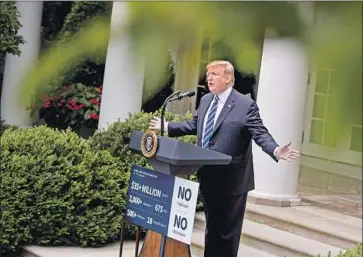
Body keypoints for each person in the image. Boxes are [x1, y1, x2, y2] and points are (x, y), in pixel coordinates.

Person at [149, 60, 300, 257]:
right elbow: (195, 125)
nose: (209, 78)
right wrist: (168, 127)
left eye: (215, 74)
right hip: (208, 175)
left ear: (228, 78)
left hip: (233, 180)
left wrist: (275, 150)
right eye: (208, 73)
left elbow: (260, 133)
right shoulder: (206, 101)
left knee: (227, 234)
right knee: (212, 228)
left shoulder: (245, 105)